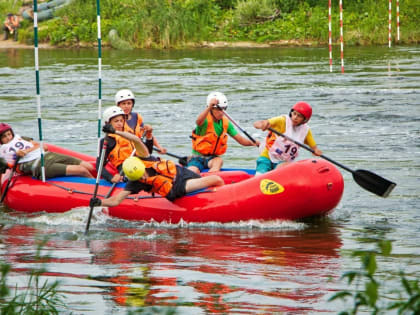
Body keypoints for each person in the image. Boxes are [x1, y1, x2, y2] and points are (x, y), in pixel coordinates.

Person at [89, 124, 224, 207]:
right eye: (139, 175)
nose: (142, 175)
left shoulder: (143, 157)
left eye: (142, 172)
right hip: (178, 187)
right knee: (216, 179)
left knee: (204, 176)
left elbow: (135, 139)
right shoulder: (135, 183)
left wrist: (115, 131)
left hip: (181, 172)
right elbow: (116, 201)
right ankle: (224, 196)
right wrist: (100, 202)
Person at [187, 91, 259, 174]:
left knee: (218, 161)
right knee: (193, 170)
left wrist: (254, 143)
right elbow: (198, 121)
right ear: (211, 109)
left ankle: (210, 178)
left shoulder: (226, 123)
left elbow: (241, 140)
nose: (222, 112)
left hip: (212, 159)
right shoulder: (205, 121)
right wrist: (209, 106)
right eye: (219, 109)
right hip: (197, 158)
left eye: (224, 109)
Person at [0, 123, 94, 179]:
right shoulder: (3, 152)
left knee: (89, 166)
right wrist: (17, 155)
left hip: (48, 156)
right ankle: (97, 191)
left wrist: (27, 151)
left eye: (9, 134)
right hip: (38, 165)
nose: (8, 138)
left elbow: (43, 147)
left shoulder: (21, 138)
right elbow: (8, 168)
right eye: (4, 137)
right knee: (82, 170)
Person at [253, 101, 322, 175]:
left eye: (299, 116)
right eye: (294, 114)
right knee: (261, 169)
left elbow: (314, 148)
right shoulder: (282, 121)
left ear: (305, 120)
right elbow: (260, 123)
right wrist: (262, 125)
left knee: (282, 171)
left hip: (283, 162)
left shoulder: (305, 131)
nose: (295, 117)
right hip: (268, 156)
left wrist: (315, 151)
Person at [97, 106, 154, 183]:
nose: (120, 124)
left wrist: (149, 136)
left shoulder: (129, 135)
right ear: (108, 123)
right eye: (116, 121)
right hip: (126, 168)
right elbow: (99, 165)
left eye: (121, 121)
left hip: (141, 162)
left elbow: (148, 152)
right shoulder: (107, 141)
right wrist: (110, 178)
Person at [114, 89, 167, 154]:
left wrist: (159, 147)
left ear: (132, 104)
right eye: (123, 104)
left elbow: (147, 134)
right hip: (123, 153)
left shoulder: (137, 117)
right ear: (118, 105)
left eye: (129, 103)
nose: (126, 106)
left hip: (138, 152)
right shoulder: (115, 121)